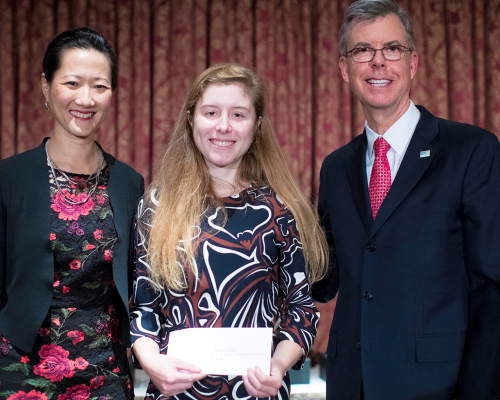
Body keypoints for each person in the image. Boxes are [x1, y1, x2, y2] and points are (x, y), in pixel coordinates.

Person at [312, 0, 500, 399]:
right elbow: (324, 280)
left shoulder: (471, 151)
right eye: (363, 50)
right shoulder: (335, 168)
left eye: (392, 49)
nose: (378, 62)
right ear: (345, 68)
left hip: (441, 387)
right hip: (351, 385)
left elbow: (493, 288)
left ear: (412, 64)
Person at [129, 63, 328, 399]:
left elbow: (302, 311)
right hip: (175, 393)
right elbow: (143, 309)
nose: (223, 126)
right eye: (211, 112)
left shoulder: (279, 210)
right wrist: (151, 364)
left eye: (238, 114)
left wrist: (277, 368)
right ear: (192, 118)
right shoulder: (156, 207)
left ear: (257, 125)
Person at [0, 27, 143, 398]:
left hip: (106, 369)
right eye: (73, 83)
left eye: (99, 86)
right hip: (21, 365)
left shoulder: (129, 182)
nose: (86, 98)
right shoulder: (8, 178)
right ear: (46, 88)